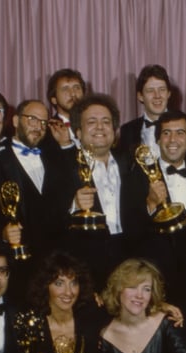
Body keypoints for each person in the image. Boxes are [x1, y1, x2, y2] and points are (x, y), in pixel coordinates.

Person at [0, 99, 70, 303]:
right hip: (18, 271)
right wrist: (2, 234)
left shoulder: (55, 159)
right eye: (32, 119)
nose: (38, 127)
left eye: (43, 122)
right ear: (16, 120)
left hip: (54, 270)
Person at [61, 93, 146, 288]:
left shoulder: (132, 163)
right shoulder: (62, 167)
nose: (100, 127)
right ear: (78, 132)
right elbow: (48, 220)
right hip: (84, 266)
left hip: (130, 262)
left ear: (115, 130)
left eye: (106, 122)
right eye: (92, 122)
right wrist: (74, 205)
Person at [129, 109, 186, 312]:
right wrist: (151, 204)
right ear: (158, 140)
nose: (173, 139)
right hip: (152, 287)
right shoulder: (138, 177)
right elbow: (129, 231)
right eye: (166, 133)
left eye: (180, 132)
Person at [118, 64, 186, 163]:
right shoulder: (127, 130)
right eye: (150, 91)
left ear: (169, 93)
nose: (157, 96)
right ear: (140, 96)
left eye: (162, 90)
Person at [43, 68, 86, 149]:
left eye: (76, 87)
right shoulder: (47, 131)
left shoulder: (93, 125)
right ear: (54, 99)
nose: (73, 94)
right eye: (65, 89)